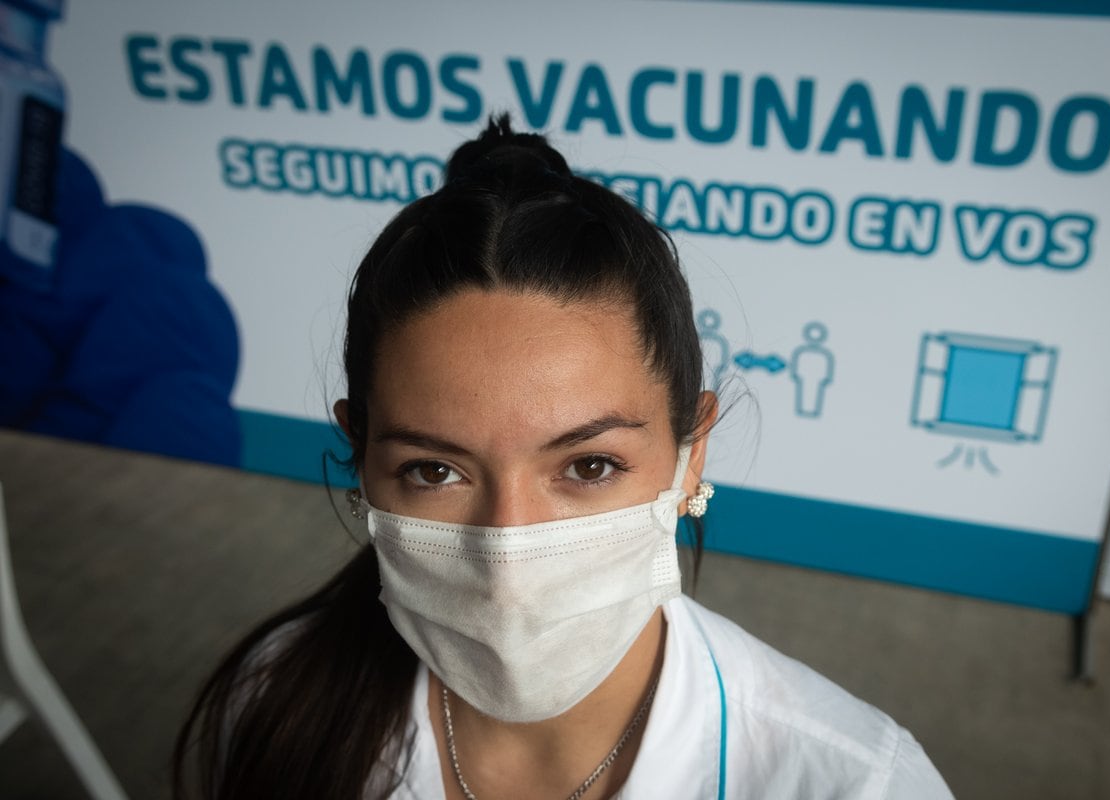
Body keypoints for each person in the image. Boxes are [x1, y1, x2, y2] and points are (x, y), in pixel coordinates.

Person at [173, 116, 954, 800]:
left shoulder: (854, 782)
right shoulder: (280, 700)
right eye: (434, 470)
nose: (507, 551)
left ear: (690, 455)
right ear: (361, 457)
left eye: (588, 466)